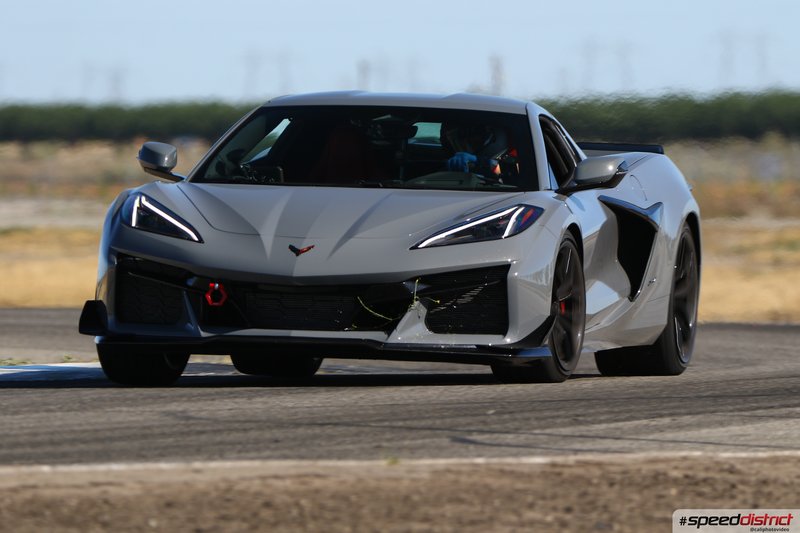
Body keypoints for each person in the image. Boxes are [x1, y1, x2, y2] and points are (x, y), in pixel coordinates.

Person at [440, 123, 517, 180]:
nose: (462, 143)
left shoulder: (515, 151)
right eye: (453, 139)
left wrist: (481, 162)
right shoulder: (451, 161)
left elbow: (512, 171)